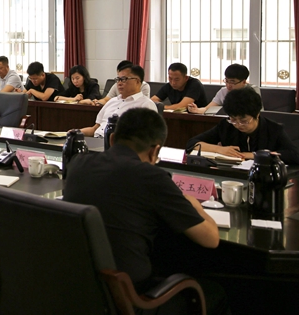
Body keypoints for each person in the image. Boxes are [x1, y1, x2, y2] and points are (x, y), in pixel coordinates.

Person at [64, 109, 228, 315]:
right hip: (130, 300)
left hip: (81, 291)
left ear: (112, 139)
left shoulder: (78, 164)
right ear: (154, 151)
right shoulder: (151, 176)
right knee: (215, 292)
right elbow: (210, 239)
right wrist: (193, 204)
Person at [186, 87, 299, 164]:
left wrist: (251, 155)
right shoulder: (226, 125)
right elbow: (192, 143)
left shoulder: (273, 129)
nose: (238, 125)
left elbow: (294, 155)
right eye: (233, 119)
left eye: (244, 121)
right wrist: (220, 150)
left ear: (257, 114)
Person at [80, 65, 157, 137]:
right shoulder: (112, 101)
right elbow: (94, 129)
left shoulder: (146, 105)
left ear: (137, 81)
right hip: (97, 140)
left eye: (123, 79)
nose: (119, 83)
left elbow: (147, 137)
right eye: (118, 79)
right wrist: (75, 132)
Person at [187, 64, 257, 114]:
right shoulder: (223, 91)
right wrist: (196, 110)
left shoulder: (252, 91)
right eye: (227, 81)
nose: (228, 85)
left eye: (232, 82)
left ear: (243, 82)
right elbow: (207, 109)